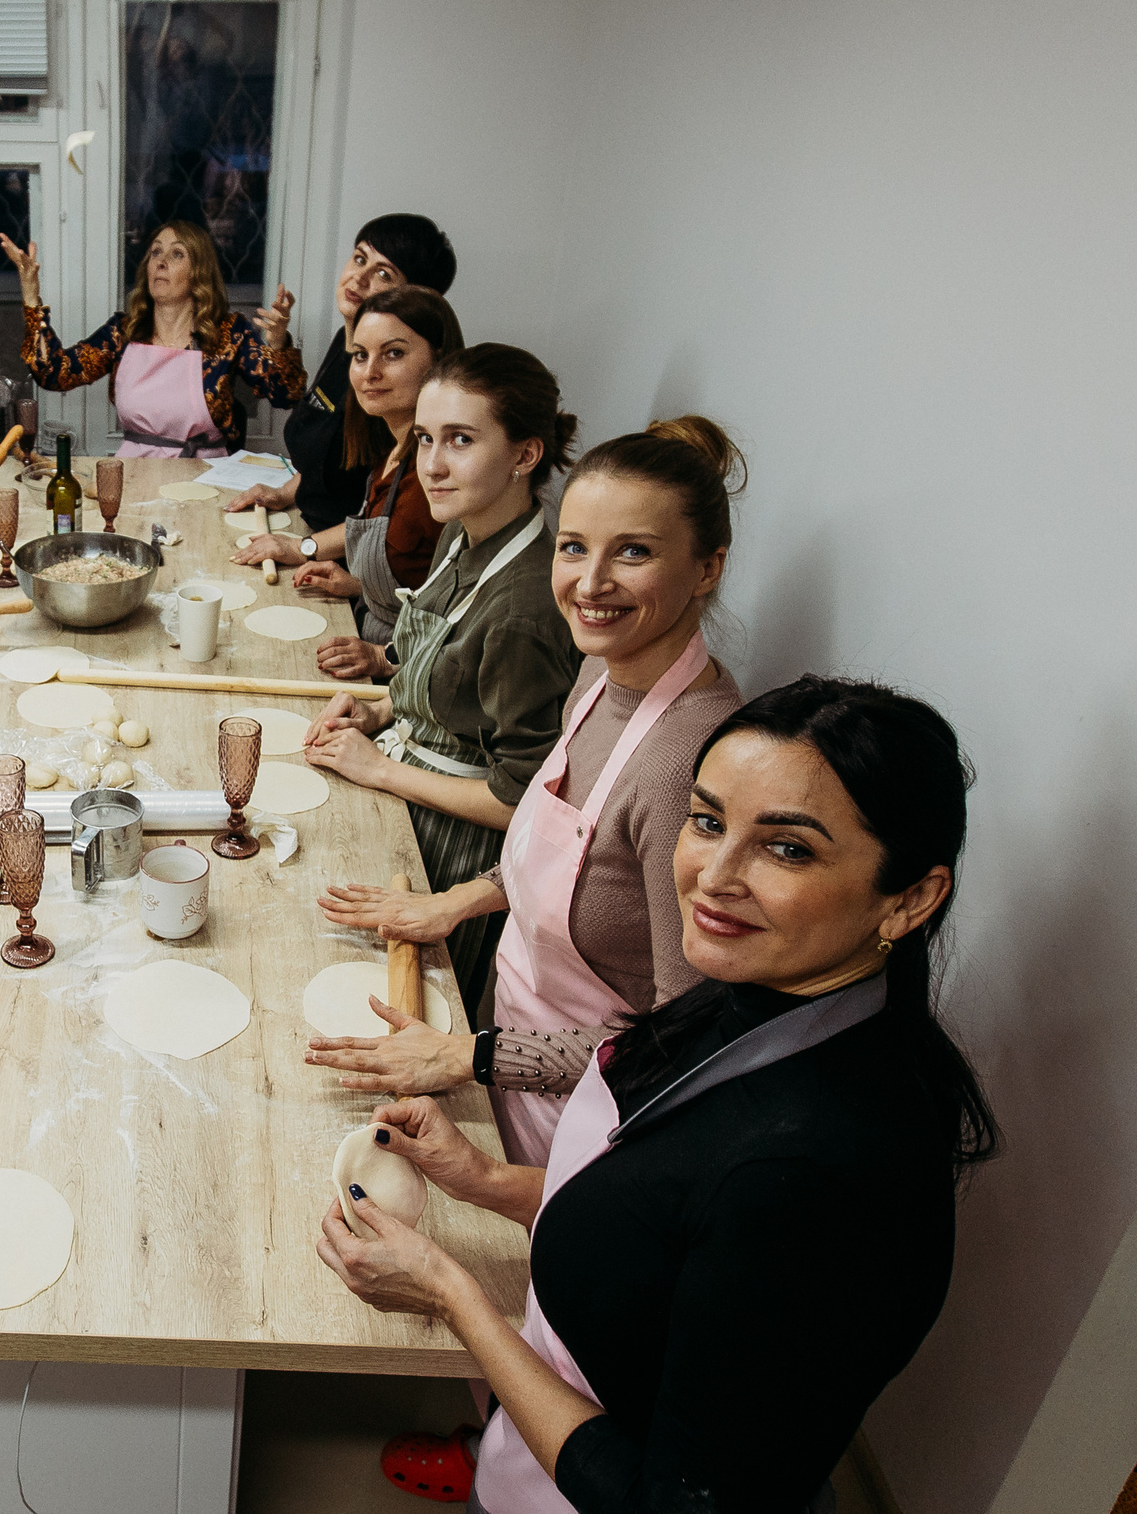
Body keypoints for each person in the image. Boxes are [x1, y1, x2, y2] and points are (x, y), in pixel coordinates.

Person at [318, 678, 997, 1514]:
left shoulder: (819, 1174)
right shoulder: (749, 993)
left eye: (788, 849)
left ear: (911, 898)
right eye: (707, 821)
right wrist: (482, 1180)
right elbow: (657, 1225)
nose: (714, 876)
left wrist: (448, 1290)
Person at [310, 418, 749, 1165]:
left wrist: (468, 1058)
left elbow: (682, 1039)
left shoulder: (688, 763)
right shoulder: (605, 666)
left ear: (707, 567)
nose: (590, 582)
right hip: (500, 1044)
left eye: (633, 551)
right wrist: (454, 901)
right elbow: (559, 842)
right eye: (574, 546)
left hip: (587, 1124)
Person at [303, 346, 582, 1018]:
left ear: (524, 455)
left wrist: (381, 771)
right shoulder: (466, 530)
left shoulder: (523, 605)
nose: (432, 463)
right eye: (426, 438)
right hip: (407, 796)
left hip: (452, 854)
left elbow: (525, 803)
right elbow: (444, 685)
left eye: (461, 439)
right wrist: (382, 711)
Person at [229, 284, 458, 680]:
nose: (370, 373)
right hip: (372, 634)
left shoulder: (437, 476)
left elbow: (461, 620)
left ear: (438, 360)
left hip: (413, 674)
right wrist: (355, 585)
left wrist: (384, 657)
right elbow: (414, 579)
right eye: (360, 356)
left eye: (394, 354)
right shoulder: (391, 447)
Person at [230, 214, 457, 532]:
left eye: (382, 273)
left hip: (350, 559)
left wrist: (307, 551)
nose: (358, 279)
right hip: (309, 531)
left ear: (412, 299)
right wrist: (284, 494)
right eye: (359, 259)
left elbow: (383, 517)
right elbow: (326, 456)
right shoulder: (344, 342)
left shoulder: (396, 386)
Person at [3, 219, 304, 457]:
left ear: (198, 271)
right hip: (135, 477)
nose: (161, 262)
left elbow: (286, 395)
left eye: (177, 254)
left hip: (208, 480)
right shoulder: (123, 332)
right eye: (156, 252)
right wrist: (30, 292)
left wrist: (277, 341)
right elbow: (53, 373)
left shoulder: (228, 333)